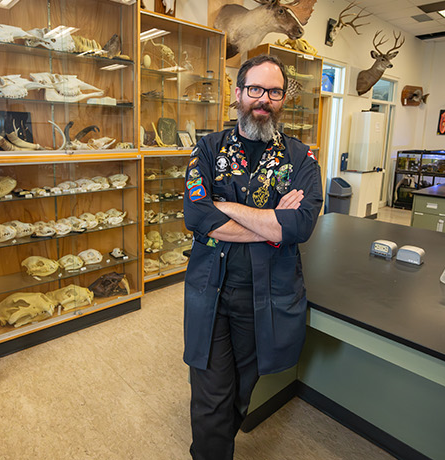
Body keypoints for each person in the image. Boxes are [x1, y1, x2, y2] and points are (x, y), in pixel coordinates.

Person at [182, 54, 322, 459]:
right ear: (238, 94)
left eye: (274, 92)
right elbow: (197, 215)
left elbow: (299, 227)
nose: (264, 99)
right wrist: (271, 224)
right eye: (255, 89)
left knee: (243, 388)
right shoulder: (207, 149)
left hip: (267, 295)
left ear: (282, 100)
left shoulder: (300, 158)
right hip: (211, 289)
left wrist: (224, 205)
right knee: (210, 393)